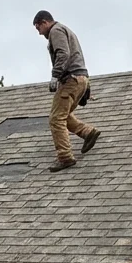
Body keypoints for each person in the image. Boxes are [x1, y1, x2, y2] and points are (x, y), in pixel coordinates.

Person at [33, 10, 101, 172]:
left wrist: (55, 76)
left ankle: (65, 157)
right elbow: (76, 57)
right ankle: (88, 133)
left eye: (38, 28)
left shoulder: (56, 31)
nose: (39, 33)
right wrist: (85, 87)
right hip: (80, 79)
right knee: (64, 114)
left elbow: (63, 53)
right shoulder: (65, 30)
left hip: (71, 79)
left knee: (56, 119)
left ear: (44, 22)